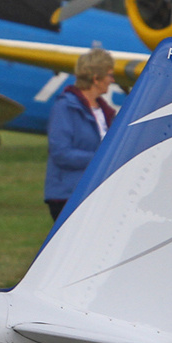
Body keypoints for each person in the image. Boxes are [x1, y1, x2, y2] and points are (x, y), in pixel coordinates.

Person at [44, 45, 117, 220]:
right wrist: (101, 159)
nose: (113, 80)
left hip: (95, 192)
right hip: (68, 196)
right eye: (109, 75)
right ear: (96, 78)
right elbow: (61, 153)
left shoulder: (104, 111)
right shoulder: (65, 107)